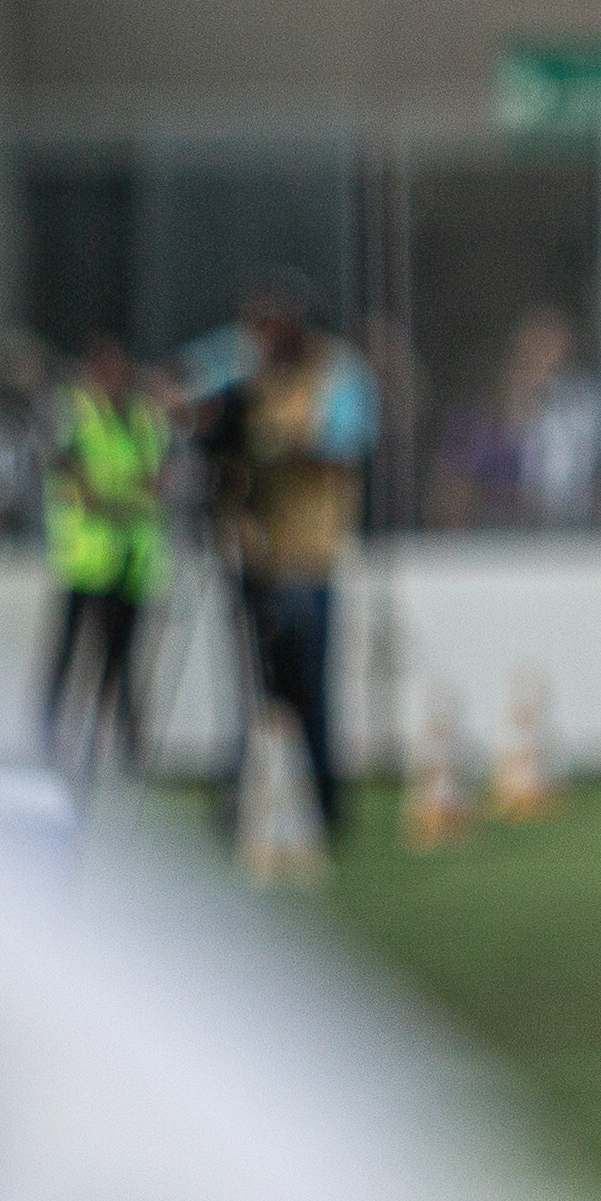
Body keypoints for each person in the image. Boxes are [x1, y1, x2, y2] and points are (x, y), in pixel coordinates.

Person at [212, 288, 374, 849]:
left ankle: (324, 806)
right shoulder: (249, 379)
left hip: (310, 558)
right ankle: (245, 801)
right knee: (249, 692)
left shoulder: (337, 374)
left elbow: (344, 450)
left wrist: (280, 447)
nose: (261, 344)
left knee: (310, 690)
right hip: (255, 556)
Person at [36, 342, 168, 772]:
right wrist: (122, 499)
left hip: (132, 558)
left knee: (124, 657)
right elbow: (70, 474)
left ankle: (123, 741)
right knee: (72, 650)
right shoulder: (76, 413)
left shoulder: (143, 417)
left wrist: (119, 499)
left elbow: (158, 479)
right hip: (86, 557)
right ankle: (51, 732)